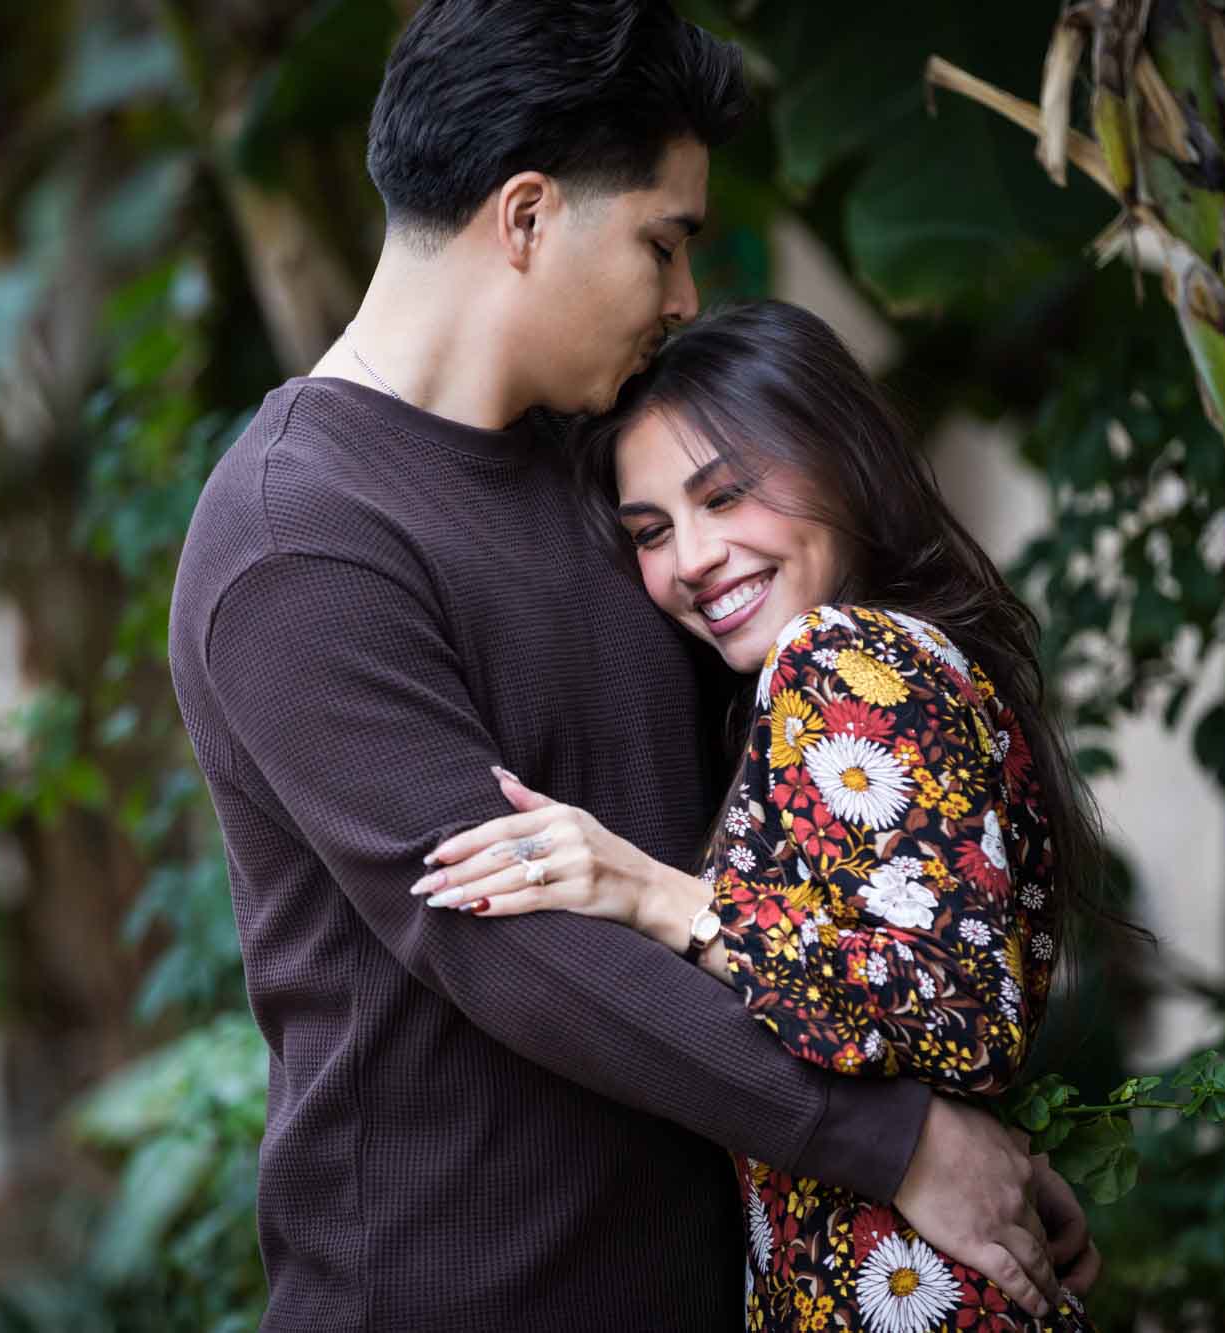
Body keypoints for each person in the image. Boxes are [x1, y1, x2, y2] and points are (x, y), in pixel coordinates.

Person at [168, 2, 1094, 1328]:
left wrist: (939, 1158)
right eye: (664, 240)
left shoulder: (621, 486)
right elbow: (519, 949)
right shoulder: (299, 540)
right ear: (529, 217)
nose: (682, 299)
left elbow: (806, 846)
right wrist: (905, 1147)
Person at [416, 300, 1108, 1331]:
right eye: (650, 532)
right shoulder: (879, 666)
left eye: (724, 494)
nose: (689, 557)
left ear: (836, 458)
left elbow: (954, 1014)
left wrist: (653, 893)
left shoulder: (836, 656)